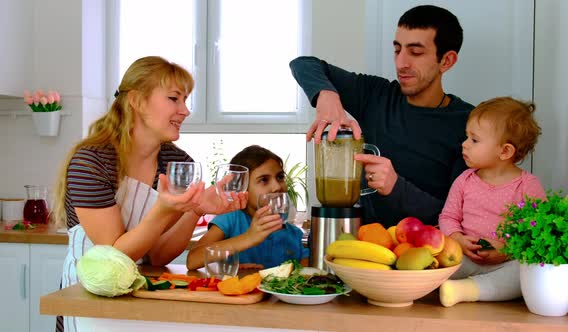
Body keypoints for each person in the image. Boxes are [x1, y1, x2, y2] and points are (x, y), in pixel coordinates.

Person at [52, 56, 247, 332]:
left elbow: (157, 256)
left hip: (140, 297)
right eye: (174, 99)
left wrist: (195, 209)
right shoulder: (92, 162)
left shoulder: (177, 164)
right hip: (87, 298)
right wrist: (165, 210)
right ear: (137, 100)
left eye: (185, 100)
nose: (185, 111)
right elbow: (113, 256)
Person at [290, 5, 474, 227]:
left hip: (427, 253)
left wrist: (396, 187)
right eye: (397, 50)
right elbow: (303, 64)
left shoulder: (469, 124)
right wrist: (326, 96)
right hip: (362, 246)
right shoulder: (375, 94)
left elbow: (456, 215)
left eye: (415, 52)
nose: (401, 63)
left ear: (446, 61)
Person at [438, 96, 545, 307]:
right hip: (464, 258)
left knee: (524, 274)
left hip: (505, 263)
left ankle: (465, 290)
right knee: (436, 259)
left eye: (474, 140)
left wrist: (507, 250)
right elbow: (448, 216)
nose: (464, 144)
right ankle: (465, 285)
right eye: (466, 137)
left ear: (505, 151)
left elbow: (535, 232)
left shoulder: (528, 186)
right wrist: (457, 237)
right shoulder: (464, 180)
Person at [187, 145, 309, 270]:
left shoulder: (295, 233)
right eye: (264, 180)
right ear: (242, 188)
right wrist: (249, 238)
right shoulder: (230, 219)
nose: (277, 186)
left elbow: (308, 270)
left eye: (280, 177)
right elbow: (192, 260)